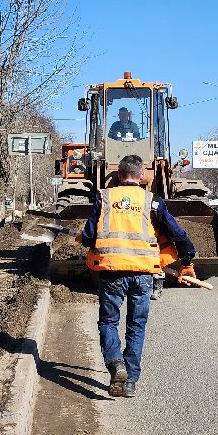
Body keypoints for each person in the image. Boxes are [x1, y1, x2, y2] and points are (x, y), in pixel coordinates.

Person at [80, 154, 195, 399]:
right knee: (136, 326)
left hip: (112, 272)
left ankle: (115, 363)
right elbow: (178, 234)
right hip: (143, 275)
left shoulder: (104, 197)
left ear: (118, 175)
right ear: (142, 175)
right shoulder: (152, 201)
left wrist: (84, 237)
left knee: (109, 322)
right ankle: (130, 381)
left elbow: (89, 237)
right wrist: (187, 260)